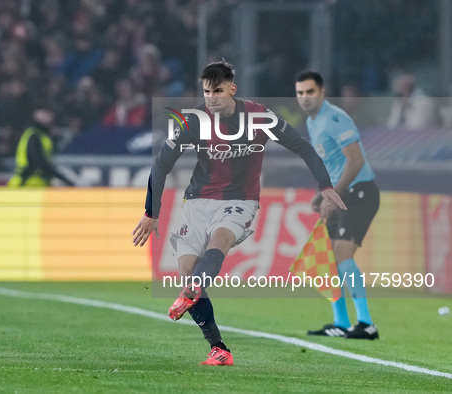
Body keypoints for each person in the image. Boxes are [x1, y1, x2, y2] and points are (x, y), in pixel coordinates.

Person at [132, 61, 346, 366]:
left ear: (232, 90)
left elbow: (303, 147)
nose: (211, 98)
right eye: (206, 91)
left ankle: (194, 290)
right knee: (187, 275)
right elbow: (161, 164)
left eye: (218, 91)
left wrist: (325, 185)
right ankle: (218, 348)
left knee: (219, 240)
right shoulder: (193, 120)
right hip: (196, 202)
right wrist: (151, 211)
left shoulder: (259, 117)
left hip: (240, 200)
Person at [295, 70, 380, 340]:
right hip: (341, 192)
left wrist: (333, 195)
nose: (305, 98)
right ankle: (341, 323)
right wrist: (321, 194)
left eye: (310, 92)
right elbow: (332, 162)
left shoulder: (335, 118)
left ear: (322, 92)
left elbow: (354, 162)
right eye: (300, 93)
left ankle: (366, 324)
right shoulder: (313, 121)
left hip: (360, 193)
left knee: (342, 255)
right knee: (328, 259)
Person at [8, 106, 76, 187]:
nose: (48, 116)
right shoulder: (33, 135)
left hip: (37, 183)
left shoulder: (42, 135)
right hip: (27, 183)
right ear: (35, 114)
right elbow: (39, 161)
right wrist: (63, 179)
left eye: (49, 113)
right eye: (45, 113)